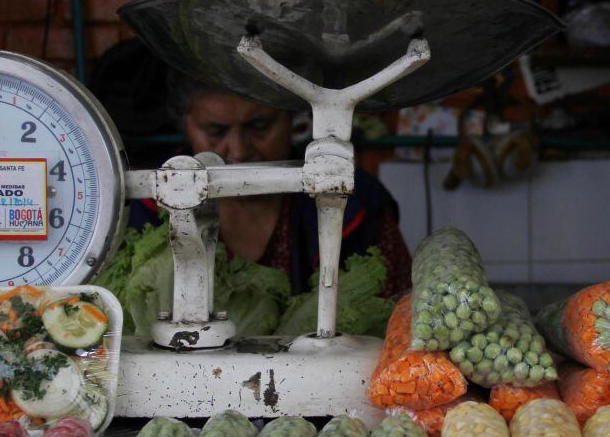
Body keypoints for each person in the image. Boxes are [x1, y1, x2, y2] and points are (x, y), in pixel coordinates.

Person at [130, 70, 412, 298]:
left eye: (260, 125)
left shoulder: (352, 203)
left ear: (292, 118)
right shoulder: (149, 210)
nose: (238, 151)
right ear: (186, 124)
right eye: (216, 131)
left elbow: (397, 312)